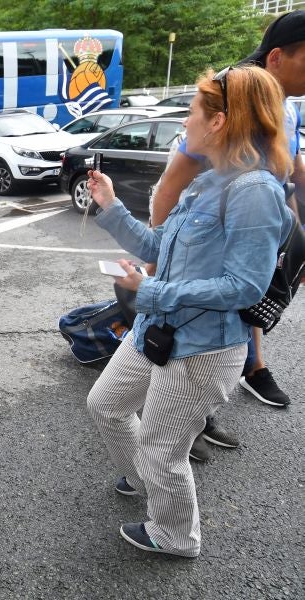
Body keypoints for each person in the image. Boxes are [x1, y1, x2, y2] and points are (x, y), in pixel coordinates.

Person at [86, 66, 294, 557]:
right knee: (106, 404)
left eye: (192, 112)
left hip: (203, 349)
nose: (185, 121)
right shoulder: (209, 181)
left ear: (219, 122)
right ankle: (147, 480)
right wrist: (111, 206)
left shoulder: (255, 191)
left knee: (163, 449)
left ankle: (176, 536)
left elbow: (245, 286)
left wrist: (151, 291)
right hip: (157, 329)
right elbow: (159, 242)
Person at [150, 10, 305, 410]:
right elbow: (171, 184)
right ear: (276, 58)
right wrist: (157, 255)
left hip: (255, 218)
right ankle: (192, 408)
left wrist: (295, 238)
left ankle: (247, 371)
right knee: (203, 311)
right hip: (207, 231)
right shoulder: (231, 98)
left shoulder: (287, 107)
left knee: (246, 294)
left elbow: (291, 168)